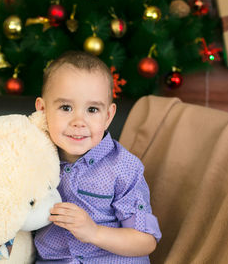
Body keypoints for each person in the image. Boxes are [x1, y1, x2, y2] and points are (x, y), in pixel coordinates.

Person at [34, 50, 161, 263]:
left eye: (92, 110)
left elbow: (145, 241)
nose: (79, 121)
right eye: (66, 107)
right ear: (42, 109)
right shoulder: (32, 160)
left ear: (108, 116)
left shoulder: (123, 168)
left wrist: (93, 232)